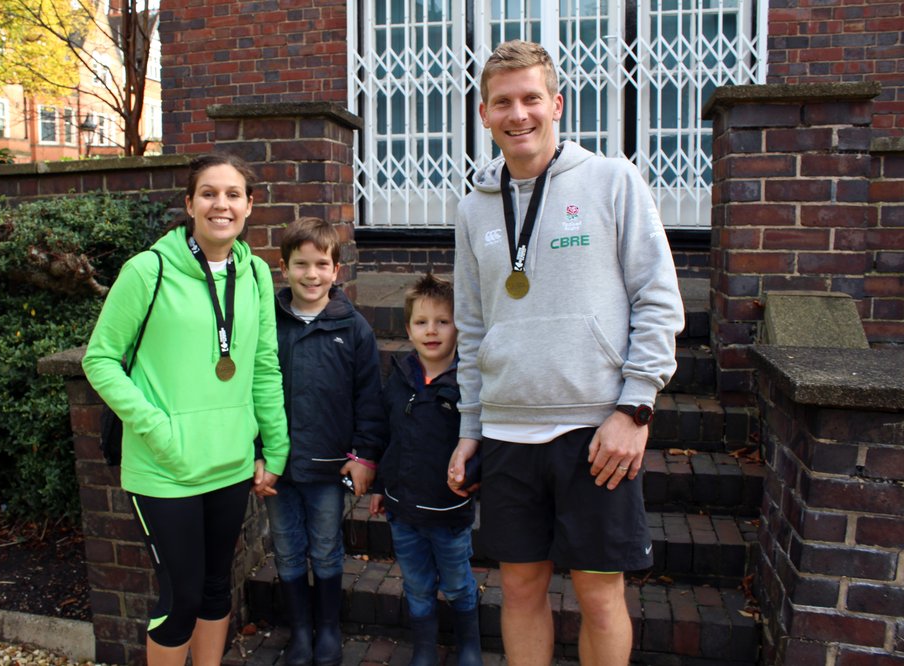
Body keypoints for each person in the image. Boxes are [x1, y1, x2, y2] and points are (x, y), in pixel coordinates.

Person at [446, 40, 685, 666]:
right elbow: (471, 327)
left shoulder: (612, 180)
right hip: (505, 431)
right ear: (484, 113)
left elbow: (658, 299)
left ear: (556, 104)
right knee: (520, 586)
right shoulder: (473, 209)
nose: (518, 113)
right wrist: (471, 428)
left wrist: (635, 410)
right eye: (503, 102)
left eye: (530, 98)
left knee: (599, 593)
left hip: (596, 431)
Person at [82, 153, 289, 666]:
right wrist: (155, 427)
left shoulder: (258, 274)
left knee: (219, 588)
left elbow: (263, 366)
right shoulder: (147, 270)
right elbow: (100, 359)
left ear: (249, 206)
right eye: (209, 193)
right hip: (165, 467)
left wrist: (275, 447)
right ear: (190, 204)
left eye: (233, 194)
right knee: (181, 600)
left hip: (231, 462)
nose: (222, 204)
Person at [262, 216, 386, 666]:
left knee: (326, 545)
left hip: (329, 465)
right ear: (283, 267)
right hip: (277, 467)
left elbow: (369, 399)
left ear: (337, 271)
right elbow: (251, 394)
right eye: (300, 264)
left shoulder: (353, 328)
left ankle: (328, 629)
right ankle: (300, 631)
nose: (310, 274)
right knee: (287, 546)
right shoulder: (267, 325)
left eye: (320, 264)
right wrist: (257, 453)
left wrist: (364, 455)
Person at [369, 273, 482, 666]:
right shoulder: (400, 378)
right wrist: (382, 486)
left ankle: (469, 644)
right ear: (408, 328)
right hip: (404, 512)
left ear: (458, 328)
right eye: (421, 322)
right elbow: (389, 437)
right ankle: (424, 648)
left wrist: (473, 478)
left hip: (449, 512)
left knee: (456, 583)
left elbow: (479, 442)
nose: (431, 331)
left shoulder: (467, 382)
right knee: (417, 585)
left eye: (442, 322)